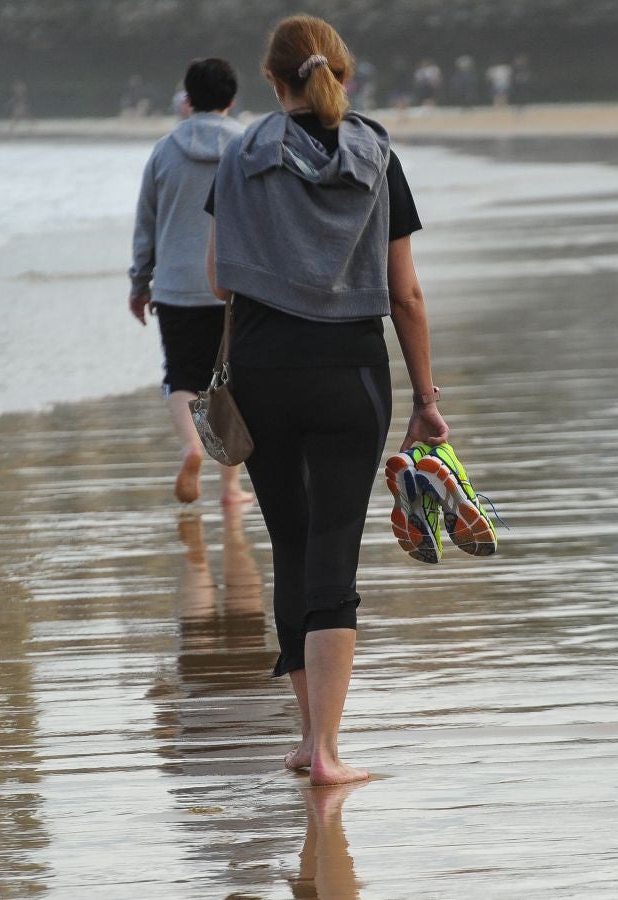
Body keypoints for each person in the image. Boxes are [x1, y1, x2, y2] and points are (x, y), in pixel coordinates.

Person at [205, 15, 448, 785]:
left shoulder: (241, 155)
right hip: (351, 372)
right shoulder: (378, 156)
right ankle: (327, 753)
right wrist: (425, 398)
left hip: (263, 371)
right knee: (336, 549)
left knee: (292, 544)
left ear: (273, 83)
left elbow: (219, 279)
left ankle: (306, 737)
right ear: (342, 73)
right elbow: (405, 294)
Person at [129, 57, 253, 508]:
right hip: (235, 286)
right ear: (232, 99)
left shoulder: (164, 149)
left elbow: (147, 221)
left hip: (176, 286)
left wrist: (140, 282)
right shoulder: (247, 145)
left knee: (181, 374)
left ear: (187, 98)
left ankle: (191, 446)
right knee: (230, 384)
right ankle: (230, 488)